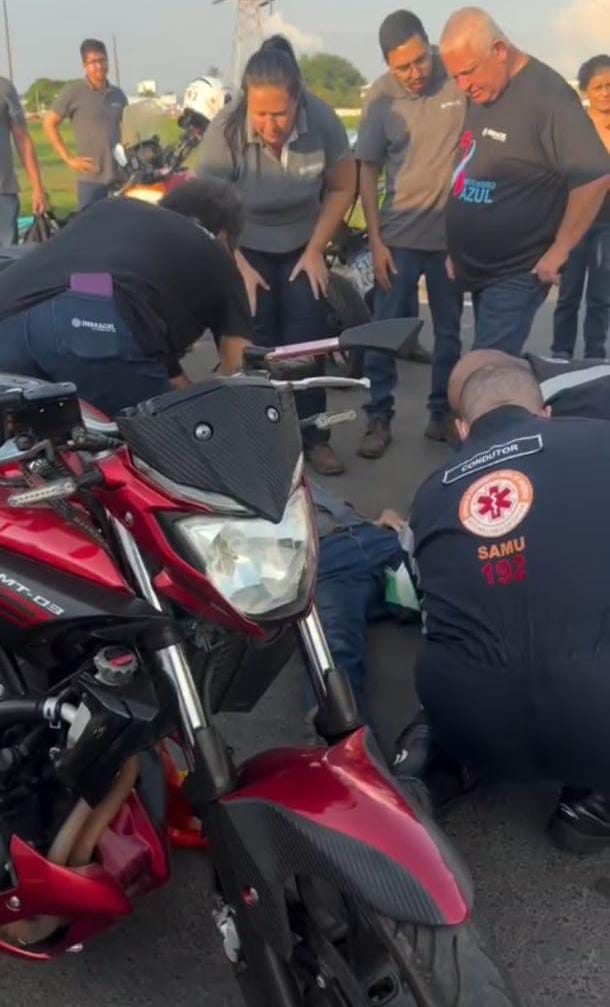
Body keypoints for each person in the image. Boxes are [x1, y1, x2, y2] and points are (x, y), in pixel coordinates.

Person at [405, 359, 610, 852]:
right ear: (544, 412)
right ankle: (594, 802)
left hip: (465, 721)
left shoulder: (428, 496)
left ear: (460, 428)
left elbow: (427, 604)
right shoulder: (597, 440)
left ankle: (438, 758)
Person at [197, 38, 357, 476]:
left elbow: (344, 186)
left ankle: (313, 435)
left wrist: (316, 250)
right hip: (244, 245)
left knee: (305, 341)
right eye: (261, 114)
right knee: (256, 341)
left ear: (298, 98)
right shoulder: (225, 129)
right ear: (247, 102)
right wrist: (238, 264)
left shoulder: (322, 120)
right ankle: (261, 439)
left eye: (281, 114)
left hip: (303, 244)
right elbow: (207, 206)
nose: (271, 124)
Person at [0, 179, 252, 416]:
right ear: (224, 236)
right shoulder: (219, 257)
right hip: (94, 323)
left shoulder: (111, 208)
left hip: (12, 314)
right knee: (168, 445)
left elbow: (97, 289)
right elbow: (238, 374)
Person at [440, 7, 610, 355]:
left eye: (468, 73)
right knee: (480, 369)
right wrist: (455, 247)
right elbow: (472, 160)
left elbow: (594, 176)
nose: (463, 86)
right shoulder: (484, 91)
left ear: (499, 51)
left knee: (487, 369)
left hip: (517, 272)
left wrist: (560, 249)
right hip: (471, 265)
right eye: (455, 77)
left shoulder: (548, 98)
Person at [356, 10, 465, 456]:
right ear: (387, 65)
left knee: (451, 335)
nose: (415, 73)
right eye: (403, 67)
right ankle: (378, 418)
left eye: (421, 60)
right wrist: (376, 242)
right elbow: (367, 172)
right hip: (397, 239)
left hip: (451, 242)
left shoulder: (456, 78)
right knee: (385, 333)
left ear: (429, 46)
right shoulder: (380, 99)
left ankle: (442, 414)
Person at [311, 482, 419, 725]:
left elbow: (341, 511)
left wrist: (382, 518)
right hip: (324, 559)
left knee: (456, 570)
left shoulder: (295, 472)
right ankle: (346, 750)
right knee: (332, 652)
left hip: (374, 536)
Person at [552, 55, 610, 362]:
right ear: (586, 91)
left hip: (607, 226)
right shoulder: (577, 129)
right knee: (568, 294)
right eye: (598, 87)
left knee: (601, 298)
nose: (605, 93)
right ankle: (561, 354)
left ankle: (594, 357)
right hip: (574, 224)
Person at [45, 38, 128, 209]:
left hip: (120, 178)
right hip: (91, 180)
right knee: (91, 230)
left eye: (102, 60)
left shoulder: (118, 95)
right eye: (93, 62)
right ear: (85, 65)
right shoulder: (74, 91)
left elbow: (128, 129)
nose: (99, 66)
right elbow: (49, 123)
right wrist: (68, 158)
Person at [0, 76, 47, 245]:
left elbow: (22, 138)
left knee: (7, 260)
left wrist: (37, 189)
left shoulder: (4, 88)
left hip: (3, 190)